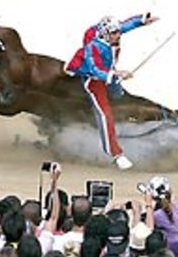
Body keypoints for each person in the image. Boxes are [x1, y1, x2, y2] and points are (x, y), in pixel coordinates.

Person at [64, 11, 158, 169]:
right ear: (106, 34)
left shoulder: (112, 33)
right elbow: (95, 69)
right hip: (94, 79)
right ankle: (116, 154)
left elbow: (125, 25)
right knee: (104, 113)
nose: (118, 35)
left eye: (117, 32)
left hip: (109, 72)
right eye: (115, 33)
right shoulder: (93, 48)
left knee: (118, 94)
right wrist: (116, 73)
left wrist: (142, 20)